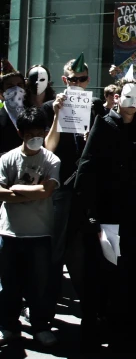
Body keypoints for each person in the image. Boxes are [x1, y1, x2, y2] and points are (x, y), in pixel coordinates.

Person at [75, 77, 136, 352]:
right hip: (109, 212)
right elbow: (88, 167)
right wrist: (89, 213)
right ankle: (97, 326)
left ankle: (128, 329)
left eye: (135, 98)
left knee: (133, 271)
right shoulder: (104, 124)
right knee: (106, 270)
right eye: (126, 98)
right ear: (117, 98)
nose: (130, 104)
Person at [43, 55, 107, 309]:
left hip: (87, 186)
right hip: (62, 184)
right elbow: (49, 147)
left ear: (88, 80)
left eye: (81, 80)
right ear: (64, 80)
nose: (77, 84)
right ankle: (47, 302)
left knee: (85, 247)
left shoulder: (96, 106)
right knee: (56, 244)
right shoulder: (50, 107)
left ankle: (90, 303)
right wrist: (58, 115)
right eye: (72, 79)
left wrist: (92, 134)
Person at [0, 107, 60, 346]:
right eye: (29, 133)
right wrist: (33, 192)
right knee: (9, 285)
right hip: (9, 231)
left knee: (39, 285)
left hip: (40, 232)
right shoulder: (7, 159)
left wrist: (16, 189)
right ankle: (8, 326)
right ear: (20, 132)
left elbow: (47, 191)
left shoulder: (51, 159)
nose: (35, 137)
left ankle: (40, 326)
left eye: (39, 132)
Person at [0, 71, 25, 154]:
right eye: (10, 86)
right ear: (1, 92)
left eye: (19, 85)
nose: (16, 89)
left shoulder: (32, 112)